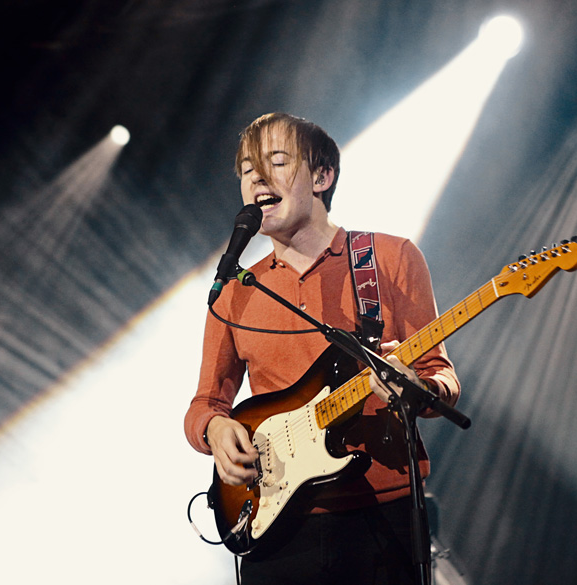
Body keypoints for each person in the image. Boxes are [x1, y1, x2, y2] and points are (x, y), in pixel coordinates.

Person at [184, 112, 460, 584]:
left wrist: (414, 385)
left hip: (382, 522)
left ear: (322, 176)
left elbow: (443, 378)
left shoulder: (390, 259)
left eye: (276, 162)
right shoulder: (234, 291)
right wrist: (215, 433)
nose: (258, 179)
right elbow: (205, 406)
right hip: (275, 530)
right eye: (248, 171)